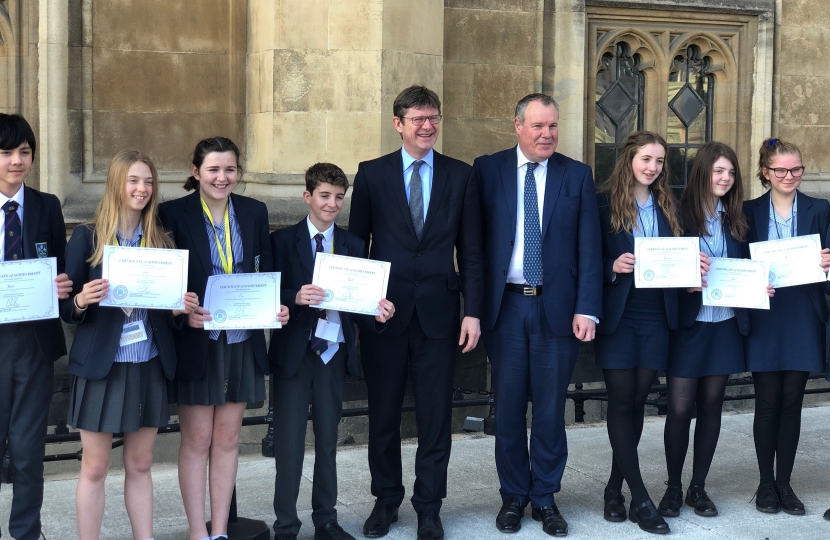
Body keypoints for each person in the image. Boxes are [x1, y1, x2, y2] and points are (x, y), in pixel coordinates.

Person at [348, 85, 483, 540]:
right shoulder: (371, 174)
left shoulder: (461, 175)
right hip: (384, 317)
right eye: (418, 119)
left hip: (441, 317)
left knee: (435, 418)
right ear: (398, 123)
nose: (428, 126)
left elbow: (473, 253)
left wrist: (472, 312)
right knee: (383, 416)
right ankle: (385, 501)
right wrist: (365, 309)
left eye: (434, 118)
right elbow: (356, 248)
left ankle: (429, 506)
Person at [473, 93, 602, 537]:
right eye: (537, 127)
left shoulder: (577, 175)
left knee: (549, 410)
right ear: (517, 126)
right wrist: (471, 309)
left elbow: (590, 247)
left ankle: (545, 496)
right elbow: (473, 245)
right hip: (505, 307)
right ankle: (513, 496)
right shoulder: (488, 170)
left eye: (552, 127)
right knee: (507, 408)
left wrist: (588, 307)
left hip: (557, 310)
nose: (546, 135)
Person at [61, 149, 199, 540]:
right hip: (101, 367)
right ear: (116, 184)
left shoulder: (162, 240)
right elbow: (66, 309)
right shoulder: (88, 236)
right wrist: (82, 300)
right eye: (134, 180)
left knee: (140, 464)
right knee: (95, 467)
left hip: (148, 363)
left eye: (149, 181)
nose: (142, 189)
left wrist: (178, 310)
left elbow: (164, 312)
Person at [158, 137, 289, 540]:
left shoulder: (253, 211)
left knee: (229, 438)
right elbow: (163, 282)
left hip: (241, 339)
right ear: (196, 172)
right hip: (198, 341)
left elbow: (264, 270)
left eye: (229, 169)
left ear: (238, 173)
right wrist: (180, 312)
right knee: (197, 440)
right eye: (213, 169)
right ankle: (199, 532)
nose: (222, 177)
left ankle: (219, 531)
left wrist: (276, 307)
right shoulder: (171, 214)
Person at [269, 162, 395, 540]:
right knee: (289, 445)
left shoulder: (354, 244)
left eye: (339, 197)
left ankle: (326, 519)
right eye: (324, 196)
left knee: (327, 441)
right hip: (295, 352)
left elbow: (362, 303)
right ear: (308, 196)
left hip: (333, 352)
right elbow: (264, 291)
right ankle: (286, 526)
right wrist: (294, 295)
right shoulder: (281, 241)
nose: (332, 204)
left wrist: (380, 313)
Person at [657, 142, 762, 519]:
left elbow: (752, 265)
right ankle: (672, 488)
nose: (725, 178)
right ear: (703, 171)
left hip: (726, 324)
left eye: (731, 173)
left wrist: (758, 283)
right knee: (681, 409)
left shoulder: (738, 218)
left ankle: (697, 488)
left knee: (712, 407)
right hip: (689, 325)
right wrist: (684, 279)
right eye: (719, 171)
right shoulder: (675, 214)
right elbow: (662, 269)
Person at [594, 132, 680, 534]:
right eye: (647, 159)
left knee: (638, 402)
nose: (653, 167)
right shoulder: (602, 202)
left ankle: (614, 489)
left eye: (660, 161)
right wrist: (613, 267)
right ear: (630, 159)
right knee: (621, 402)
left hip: (655, 315)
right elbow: (584, 257)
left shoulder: (667, 204)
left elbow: (676, 258)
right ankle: (641, 499)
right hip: (619, 314)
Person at [742, 138, 830, 516]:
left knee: (792, 402)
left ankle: (785, 484)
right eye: (780, 170)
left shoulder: (820, 209)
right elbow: (736, 261)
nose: (789, 176)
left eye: (796, 169)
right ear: (765, 173)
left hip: (802, 312)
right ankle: (764, 484)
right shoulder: (747, 211)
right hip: (765, 311)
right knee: (767, 402)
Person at [0, 113, 72, 540]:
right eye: (6, 153)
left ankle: (26, 531)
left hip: (35, 342)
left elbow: (62, 269)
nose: (16, 161)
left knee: (28, 449)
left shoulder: (47, 206)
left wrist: (63, 286)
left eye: (24, 152)